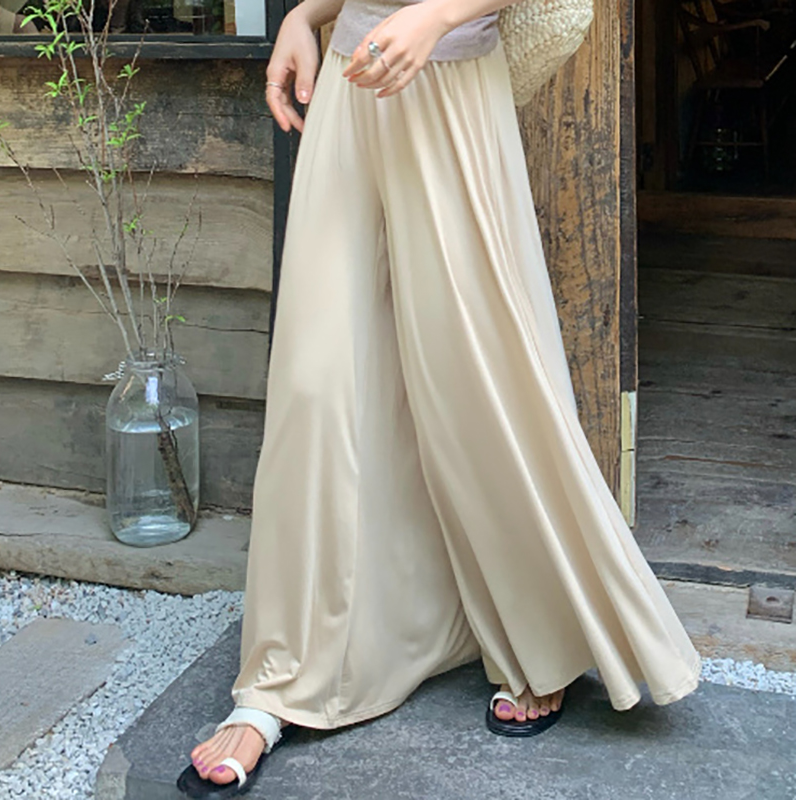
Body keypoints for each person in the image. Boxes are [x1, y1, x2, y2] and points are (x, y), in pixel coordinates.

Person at [177, 0, 702, 795]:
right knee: (316, 380)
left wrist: (438, 17)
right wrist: (303, 16)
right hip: (352, 90)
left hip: (453, 89)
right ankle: (281, 678)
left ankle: (542, 638)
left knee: (480, 374)